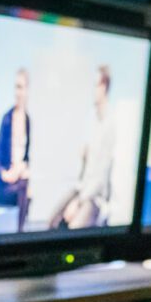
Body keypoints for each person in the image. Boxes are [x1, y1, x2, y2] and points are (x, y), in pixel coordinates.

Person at [51, 66, 116, 229]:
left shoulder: (111, 125)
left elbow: (100, 179)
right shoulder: (92, 121)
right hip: (81, 189)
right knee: (53, 221)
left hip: (95, 198)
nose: (92, 91)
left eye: (95, 85)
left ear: (103, 87)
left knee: (75, 227)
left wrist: (78, 202)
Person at [0, 68, 32, 233]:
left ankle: (20, 232)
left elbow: (27, 157)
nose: (18, 92)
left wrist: (23, 169)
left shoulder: (27, 120)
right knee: (25, 188)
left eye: (21, 87)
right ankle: (19, 234)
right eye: (16, 87)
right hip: (4, 184)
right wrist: (6, 174)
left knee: (27, 185)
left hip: (20, 182)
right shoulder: (6, 119)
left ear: (27, 90)